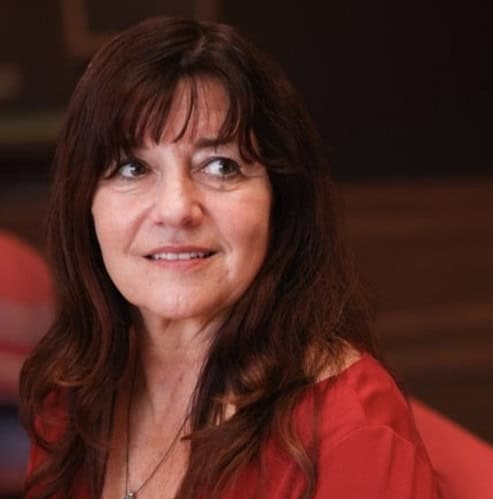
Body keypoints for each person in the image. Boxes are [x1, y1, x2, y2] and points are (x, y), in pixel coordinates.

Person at [19, 17, 440, 499]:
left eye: (221, 166)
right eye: (132, 167)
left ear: (281, 200)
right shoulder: (72, 388)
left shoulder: (349, 429)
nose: (177, 208)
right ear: (84, 204)